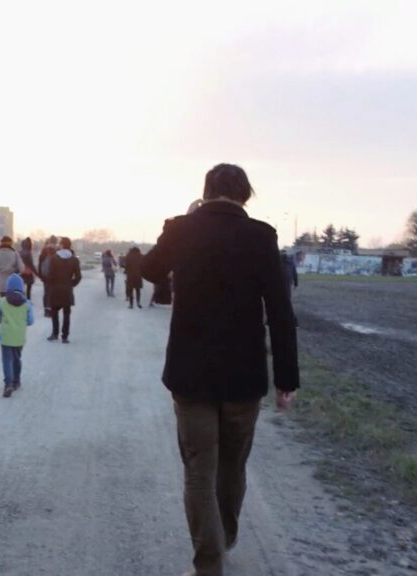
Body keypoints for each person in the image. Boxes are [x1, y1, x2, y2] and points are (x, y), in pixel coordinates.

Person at [141, 163, 299, 576]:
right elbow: (281, 313)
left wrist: (179, 224)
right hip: (244, 377)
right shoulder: (262, 236)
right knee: (232, 466)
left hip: (191, 376)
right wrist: (287, 380)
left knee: (199, 469)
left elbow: (149, 269)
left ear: (206, 191)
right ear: (246, 194)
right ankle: (223, 537)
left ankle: (208, 562)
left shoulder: (183, 229)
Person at [0, 273, 34, 398]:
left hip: (6, 337)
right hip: (19, 337)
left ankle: (8, 384)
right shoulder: (27, 304)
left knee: (7, 361)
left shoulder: (2, 302)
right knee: (17, 359)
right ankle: (16, 381)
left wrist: (4, 320)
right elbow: (30, 321)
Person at [43, 236, 82, 343]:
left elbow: (50, 275)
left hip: (55, 289)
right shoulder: (74, 260)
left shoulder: (54, 258)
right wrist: (71, 284)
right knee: (67, 313)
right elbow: (78, 276)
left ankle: (55, 334)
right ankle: (65, 336)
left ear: (62, 245)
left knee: (54, 313)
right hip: (67, 289)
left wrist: (50, 285)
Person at [37, 235, 59, 317]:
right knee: (54, 293)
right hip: (54, 276)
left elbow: (40, 263)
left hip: (45, 276)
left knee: (46, 293)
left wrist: (40, 275)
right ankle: (53, 310)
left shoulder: (44, 250)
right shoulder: (58, 250)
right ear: (56, 241)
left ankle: (46, 311)